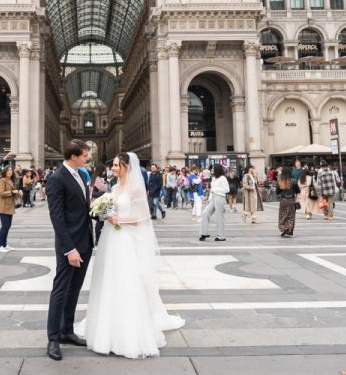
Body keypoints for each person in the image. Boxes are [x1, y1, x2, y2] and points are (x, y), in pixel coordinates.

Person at [74, 152, 184, 358]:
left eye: (116, 165)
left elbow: (143, 217)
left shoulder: (134, 188)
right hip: (110, 238)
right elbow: (110, 209)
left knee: (126, 280)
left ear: (126, 166)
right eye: (113, 165)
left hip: (124, 239)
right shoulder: (113, 188)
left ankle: (128, 332)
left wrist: (119, 220)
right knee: (108, 279)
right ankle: (106, 326)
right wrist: (104, 213)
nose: (113, 168)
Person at [45, 140, 93, 362]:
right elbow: (57, 217)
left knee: (75, 289)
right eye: (84, 155)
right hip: (70, 246)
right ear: (73, 156)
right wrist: (69, 248)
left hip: (85, 242)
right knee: (61, 290)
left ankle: (67, 331)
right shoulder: (56, 179)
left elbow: (83, 209)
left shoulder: (81, 176)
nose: (87, 158)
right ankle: (53, 338)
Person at [198, 164, 229, 242]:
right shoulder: (214, 178)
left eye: (213, 169)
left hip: (220, 197)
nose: (211, 170)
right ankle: (204, 233)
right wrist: (210, 198)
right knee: (205, 213)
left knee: (219, 216)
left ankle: (221, 236)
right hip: (214, 197)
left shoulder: (223, 178)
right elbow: (212, 189)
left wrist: (216, 190)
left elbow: (226, 189)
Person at [0, 166, 22, 252]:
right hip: (3, 206)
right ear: (5, 171)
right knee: (5, 226)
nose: (10, 172)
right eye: (8, 170)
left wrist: (19, 193)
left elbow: (14, 192)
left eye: (11, 170)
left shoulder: (11, 181)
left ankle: (4, 244)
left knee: (8, 226)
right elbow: (1, 193)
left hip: (10, 205)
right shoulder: (2, 180)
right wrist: (12, 192)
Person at [276, 166, 300, 237]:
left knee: (283, 215)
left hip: (283, 200)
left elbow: (277, 192)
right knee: (291, 215)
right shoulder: (294, 181)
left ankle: (284, 228)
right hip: (291, 200)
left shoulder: (280, 181)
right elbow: (298, 191)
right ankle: (290, 230)